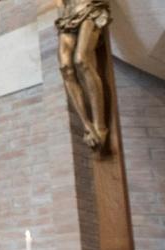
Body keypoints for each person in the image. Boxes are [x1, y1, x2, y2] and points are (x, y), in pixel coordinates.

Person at [56, 0, 113, 149]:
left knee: (81, 60)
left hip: (89, 8)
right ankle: (87, 126)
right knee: (65, 67)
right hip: (67, 15)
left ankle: (100, 126)